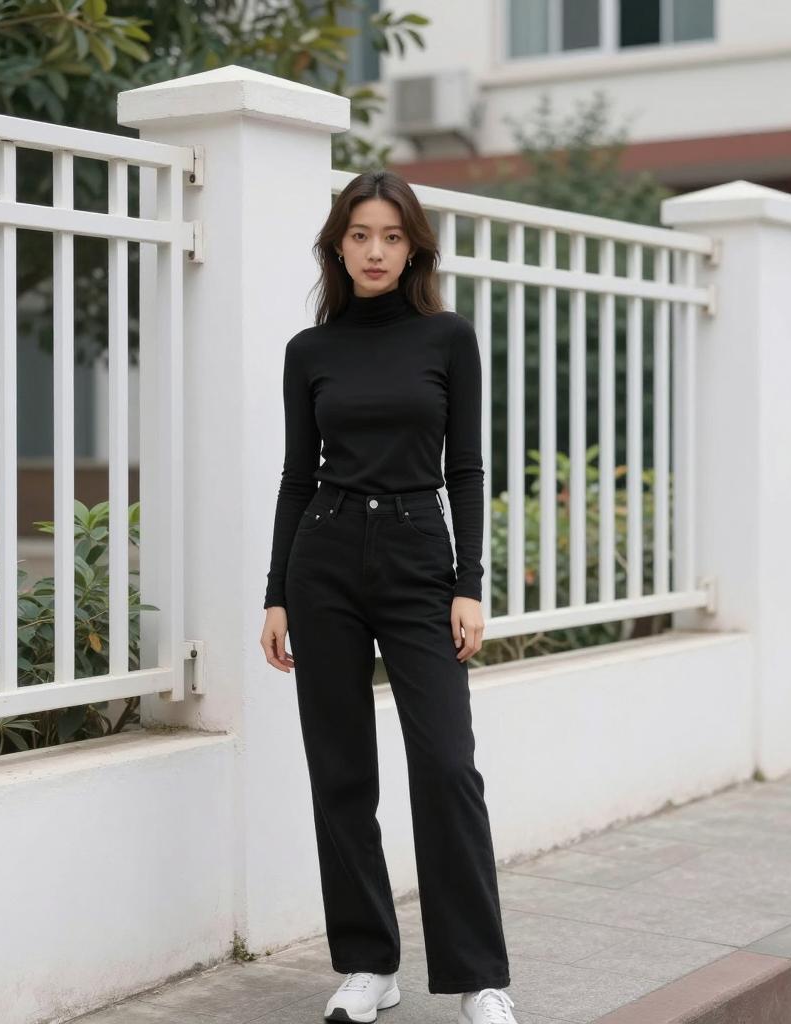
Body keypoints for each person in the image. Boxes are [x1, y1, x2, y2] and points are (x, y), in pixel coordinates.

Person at [260, 169, 515, 1024]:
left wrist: (469, 585)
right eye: (361, 235)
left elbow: (467, 468)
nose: (375, 251)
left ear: (415, 247)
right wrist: (276, 594)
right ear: (339, 244)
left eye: (392, 236)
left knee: (447, 766)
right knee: (341, 770)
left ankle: (480, 977)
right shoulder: (310, 352)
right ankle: (369, 965)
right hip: (323, 557)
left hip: (417, 558)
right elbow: (298, 476)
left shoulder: (448, 338)